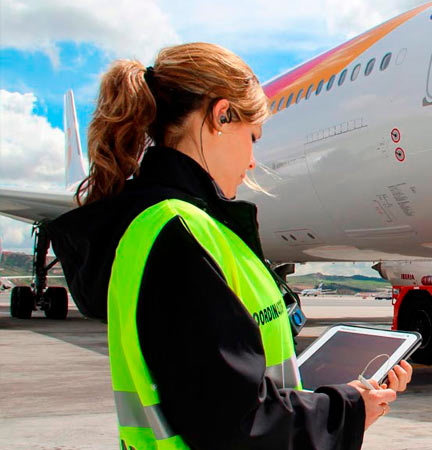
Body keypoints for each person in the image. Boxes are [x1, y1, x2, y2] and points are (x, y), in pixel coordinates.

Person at [46, 43, 411, 449]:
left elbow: (222, 389)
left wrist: (337, 396)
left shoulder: (179, 227)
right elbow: (236, 424)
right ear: (221, 117)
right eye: (253, 137)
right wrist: (349, 409)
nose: (253, 161)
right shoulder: (179, 235)